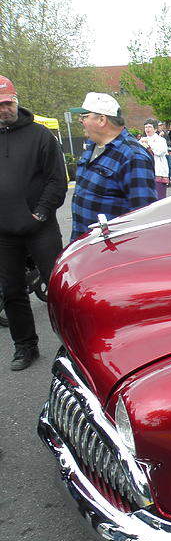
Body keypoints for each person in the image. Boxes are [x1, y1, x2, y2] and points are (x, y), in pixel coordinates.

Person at [0, 75, 67, 371]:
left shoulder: (40, 135)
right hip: (4, 232)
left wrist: (40, 212)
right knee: (12, 291)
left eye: (8, 103)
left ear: (16, 100)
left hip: (40, 227)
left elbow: (56, 180)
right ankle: (25, 346)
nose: (4, 109)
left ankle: (72, 344)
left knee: (59, 288)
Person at [70, 92, 156, 241]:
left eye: (84, 116)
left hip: (111, 250)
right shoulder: (92, 146)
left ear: (102, 119)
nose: (80, 120)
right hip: (85, 245)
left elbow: (143, 216)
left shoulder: (133, 156)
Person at [139, 119, 170, 199]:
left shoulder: (161, 140)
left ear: (155, 129)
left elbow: (161, 152)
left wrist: (149, 144)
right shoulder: (141, 141)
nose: (147, 129)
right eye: (146, 127)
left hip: (158, 171)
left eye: (150, 127)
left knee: (159, 197)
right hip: (145, 172)